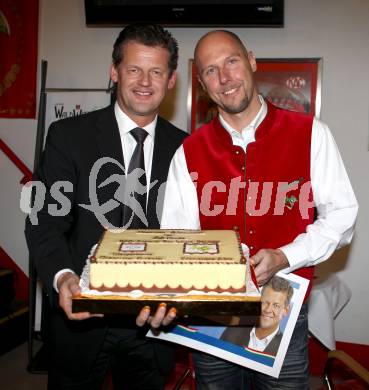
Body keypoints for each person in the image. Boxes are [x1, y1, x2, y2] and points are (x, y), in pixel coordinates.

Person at [160, 30, 358, 389]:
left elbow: (343, 217)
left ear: (250, 61)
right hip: (213, 310)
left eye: (232, 62)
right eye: (210, 71)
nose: (224, 78)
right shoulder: (188, 152)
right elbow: (179, 239)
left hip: (282, 306)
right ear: (203, 84)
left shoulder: (311, 134)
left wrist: (286, 256)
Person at [25, 23, 187, 390]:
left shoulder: (187, 149)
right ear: (114, 72)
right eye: (134, 69)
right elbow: (43, 221)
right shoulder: (68, 136)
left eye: (156, 71)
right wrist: (62, 276)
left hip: (152, 325)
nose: (144, 81)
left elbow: (188, 235)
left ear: (171, 79)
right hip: (80, 319)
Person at [221, 276, 293, 357]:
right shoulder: (232, 331)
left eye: (276, 305)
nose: (268, 310)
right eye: (265, 302)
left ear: (285, 311)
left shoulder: (286, 349)